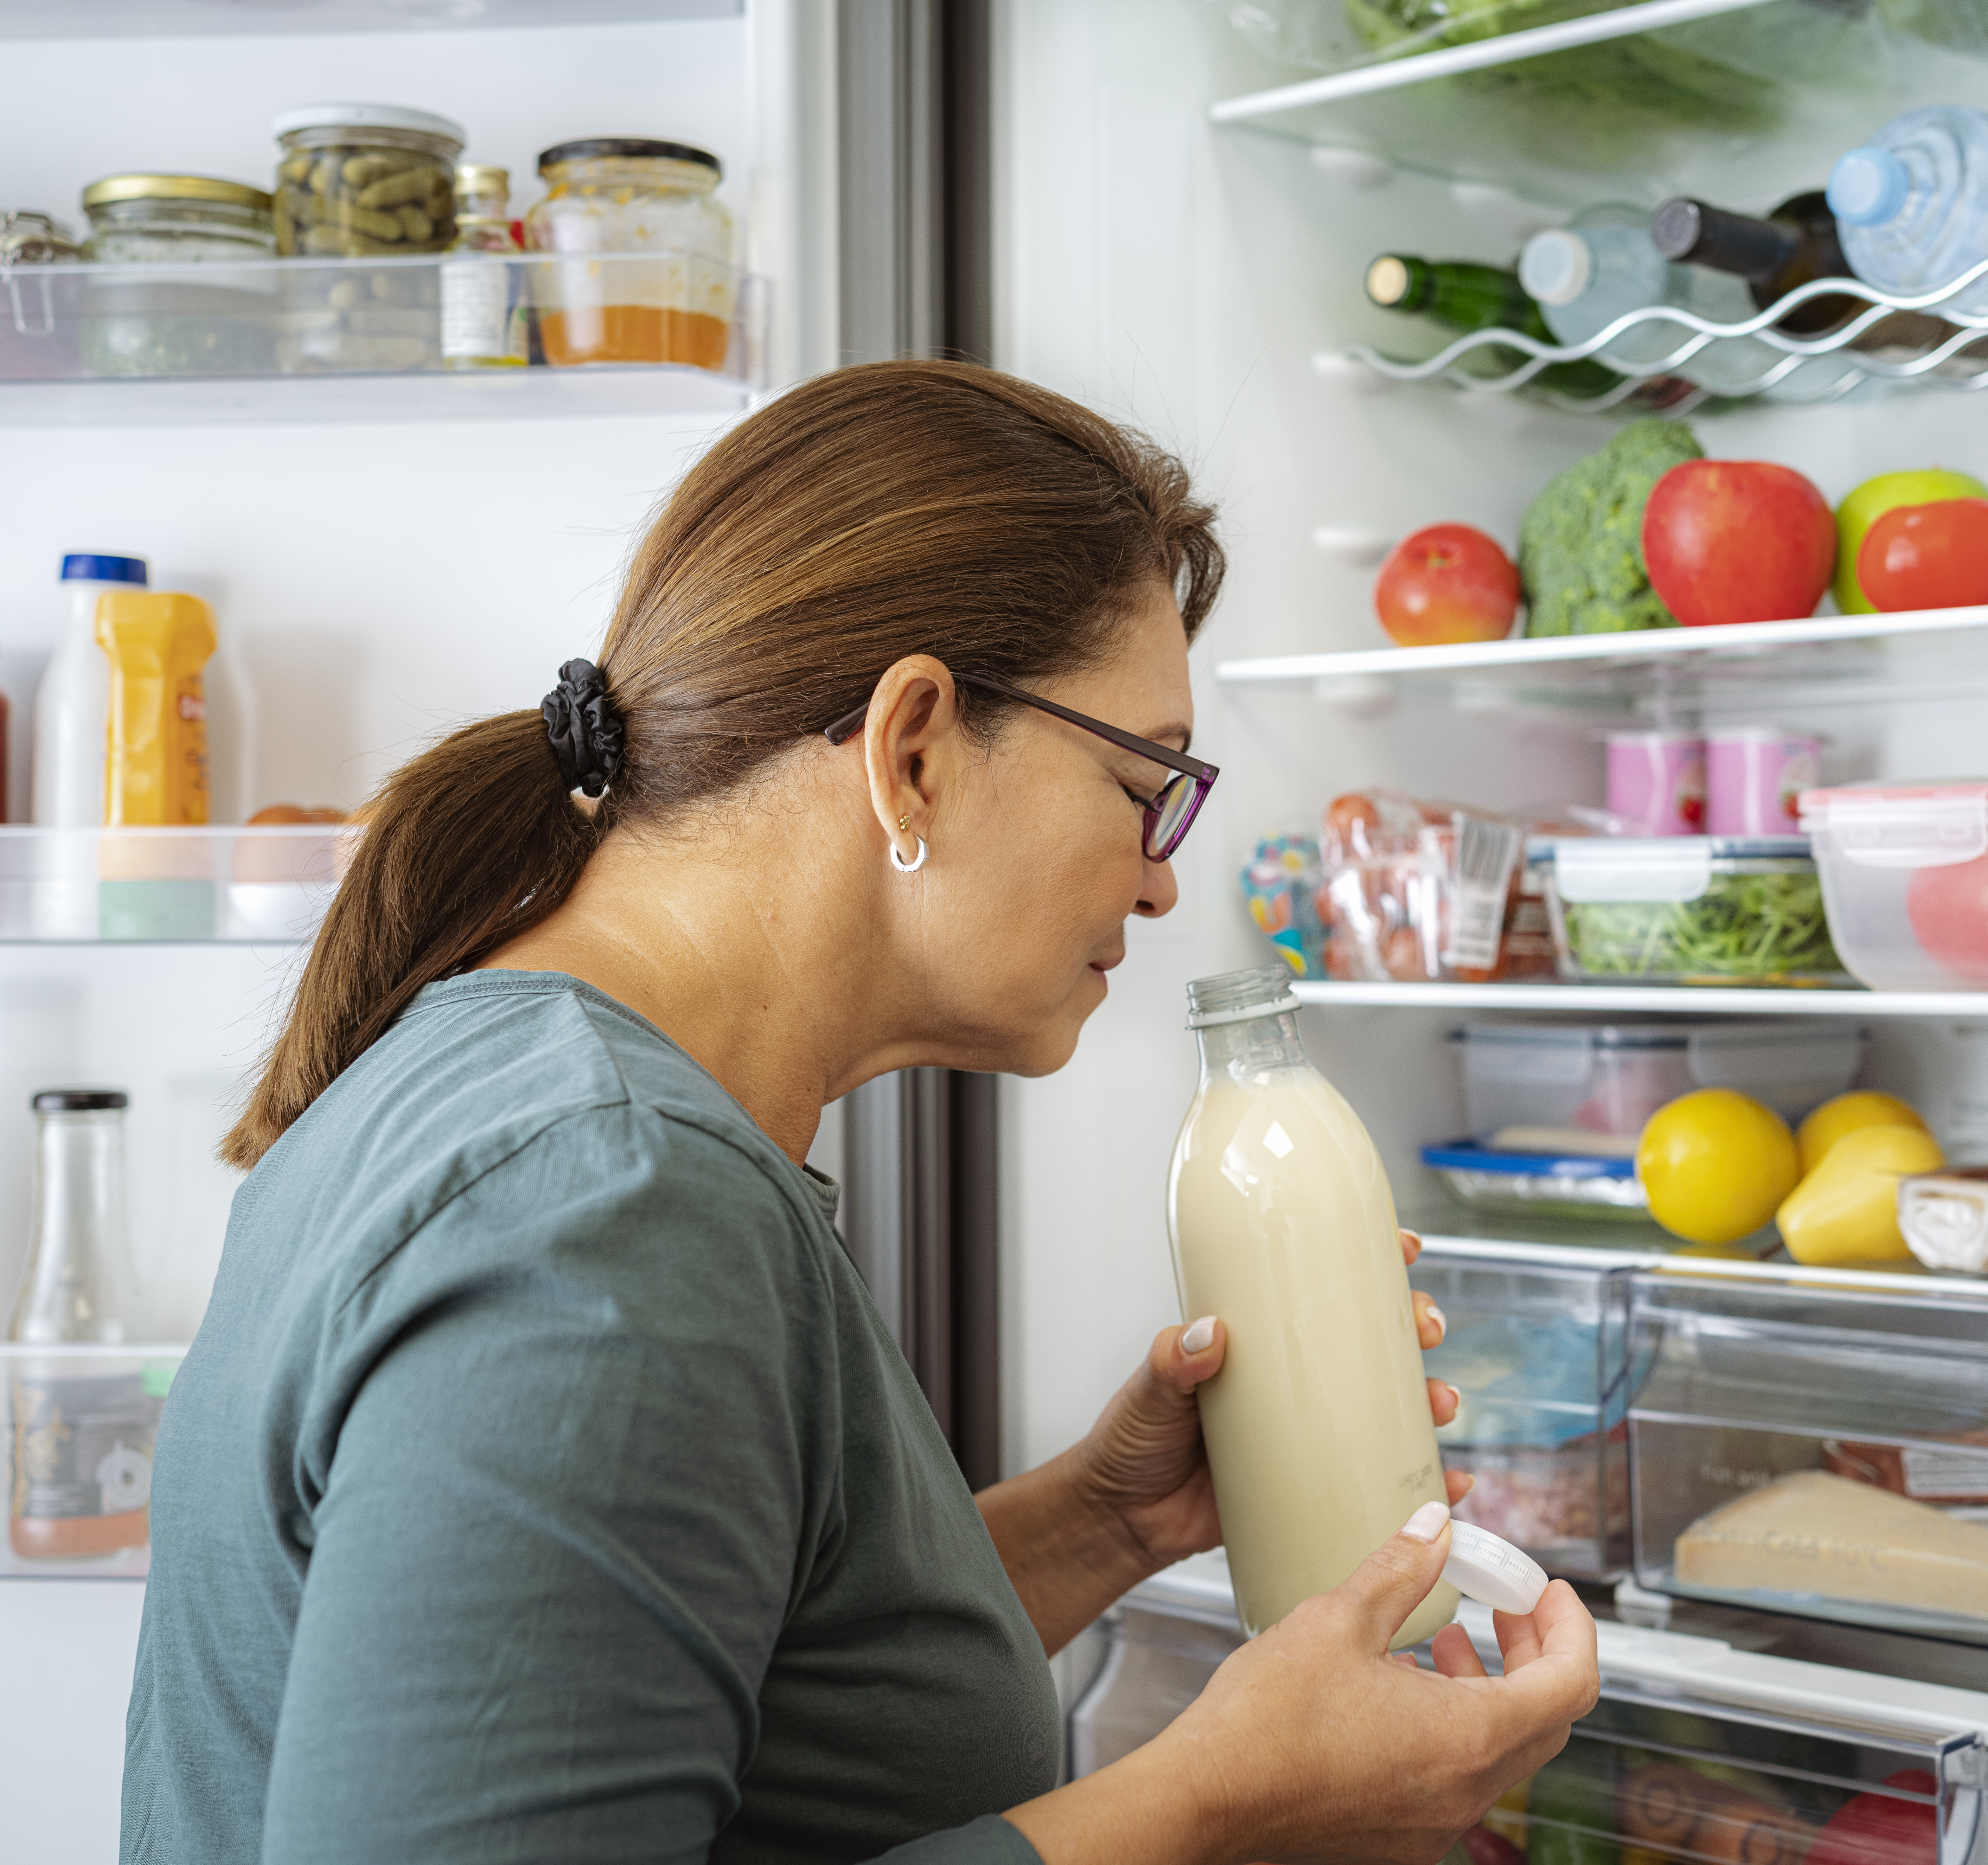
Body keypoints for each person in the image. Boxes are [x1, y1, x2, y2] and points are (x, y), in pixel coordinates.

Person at [119, 360, 1597, 1865]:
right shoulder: (606, 1212)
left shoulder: (537, 1094)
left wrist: (1110, 1519)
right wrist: (1217, 1803)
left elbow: (727, 1682)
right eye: (1146, 781)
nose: (1161, 877)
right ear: (912, 750)